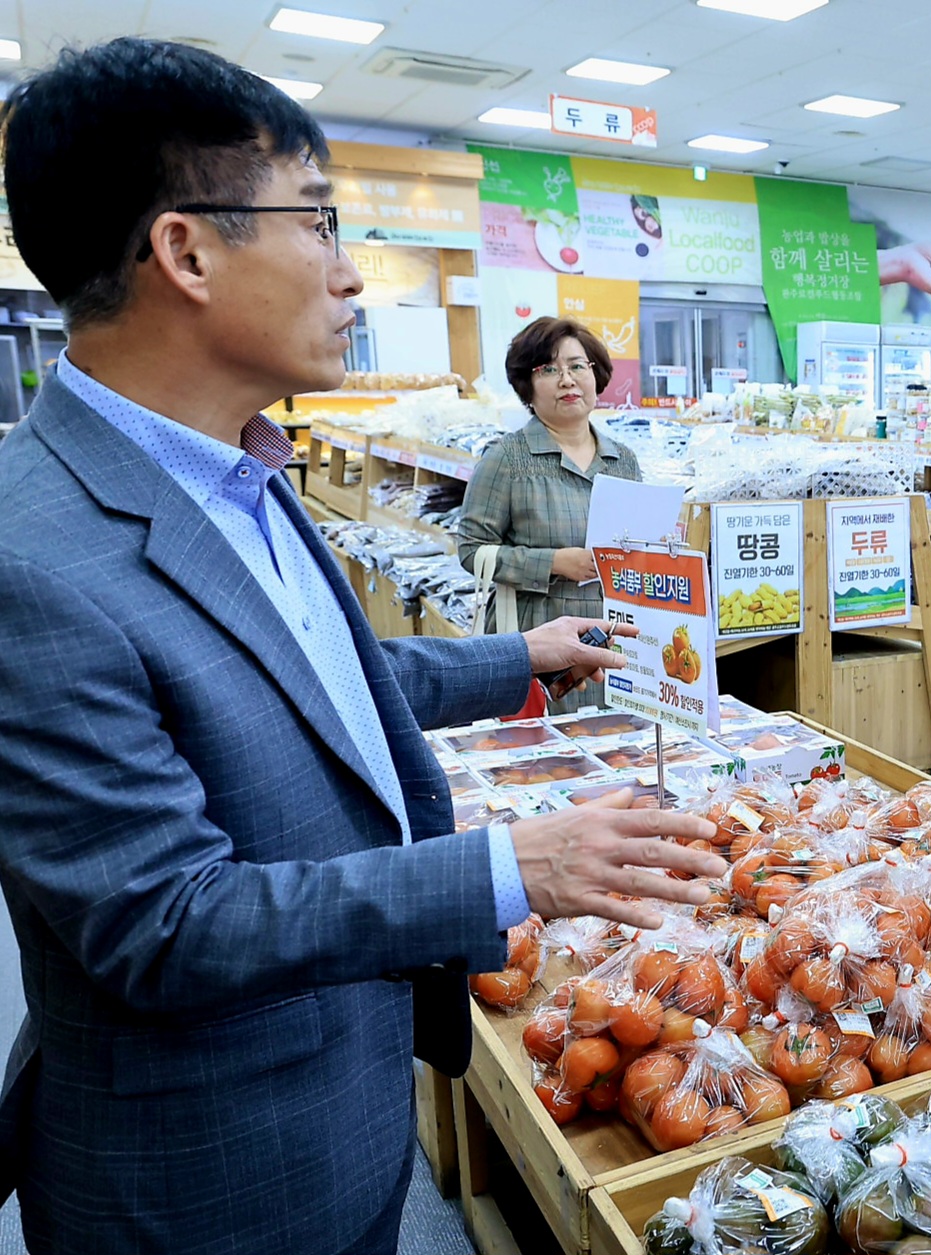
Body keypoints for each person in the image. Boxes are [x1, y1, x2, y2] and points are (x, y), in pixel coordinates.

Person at [0, 41, 725, 1255]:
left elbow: (305, 687)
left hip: (342, 1097)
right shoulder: (35, 555)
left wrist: (526, 655)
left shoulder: (240, 466)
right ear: (185, 251)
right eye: (319, 223)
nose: (351, 278)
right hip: (208, 1177)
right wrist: (504, 869)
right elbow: (164, 922)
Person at [458, 317, 643, 712]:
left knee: (618, 755)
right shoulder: (507, 458)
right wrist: (555, 562)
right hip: (537, 639)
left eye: (578, 366)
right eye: (549, 369)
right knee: (545, 761)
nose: (567, 380)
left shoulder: (623, 460)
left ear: (596, 374)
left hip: (612, 638)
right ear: (528, 385)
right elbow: (472, 549)